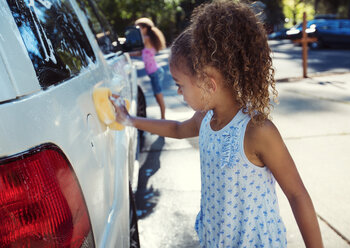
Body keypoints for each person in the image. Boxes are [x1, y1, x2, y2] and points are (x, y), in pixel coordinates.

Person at [112, 1, 323, 247]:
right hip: (216, 238)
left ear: (209, 84)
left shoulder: (257, 131)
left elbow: (297, 195)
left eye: (180, 85)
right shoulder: (206, 119)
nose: (179, 92)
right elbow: (177, 129)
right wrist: (130, 119)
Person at [135, 17, 167, 119]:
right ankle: (163, 118)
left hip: (155, 72)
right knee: (157, 96)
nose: (137, 30)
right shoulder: (146, 40)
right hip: (154, 71)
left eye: (138, 27)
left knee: (159, 97)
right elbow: (139, 52)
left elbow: (136, 44)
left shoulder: (146, 39)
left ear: (145, 28)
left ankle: (163, 119)